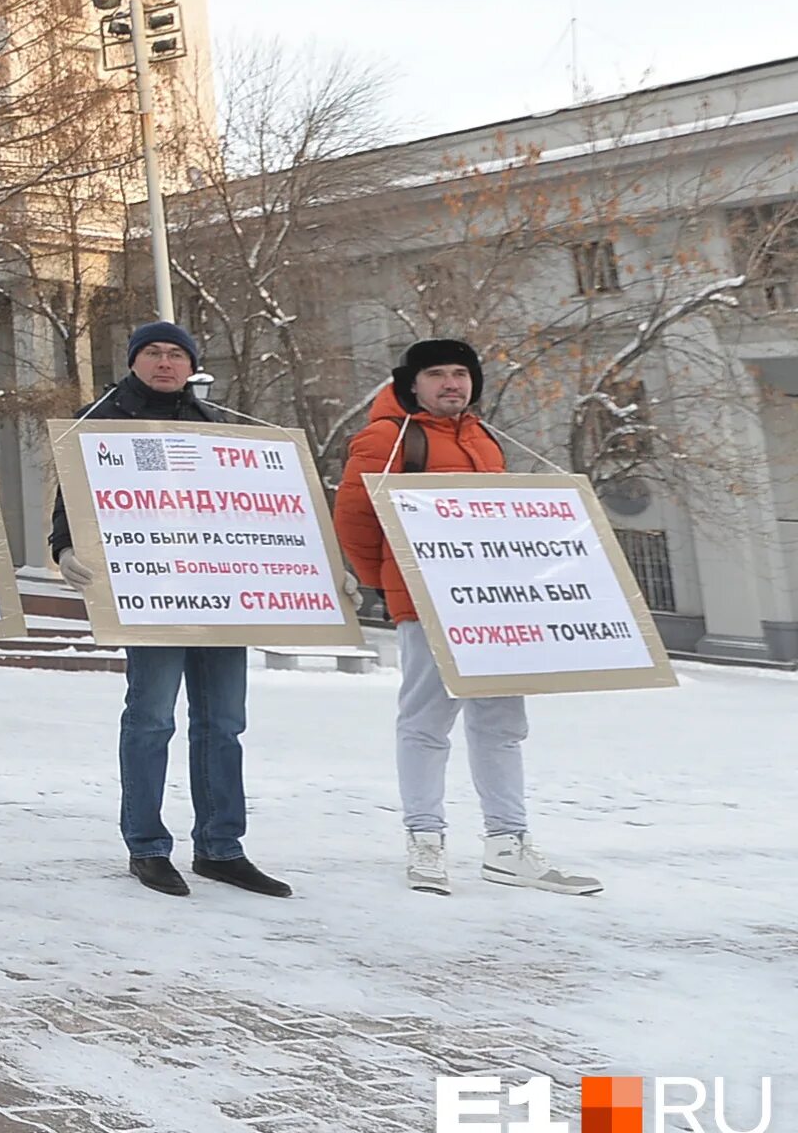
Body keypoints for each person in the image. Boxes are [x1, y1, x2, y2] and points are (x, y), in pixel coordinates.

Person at [334, 338, 601, 897]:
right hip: (427, 605)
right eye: (437, 374)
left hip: (493, 606)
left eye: (461, 373)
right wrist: (393, 585)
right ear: (412, 383)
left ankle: (508, 844)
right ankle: (426, 841)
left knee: (502, 724)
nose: (452, 383)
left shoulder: (483, 436)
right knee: (427, 722)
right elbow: (355, 523)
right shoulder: (387, 438)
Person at [52, 320, 291, 899]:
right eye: (153, 353)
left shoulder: (216, 425)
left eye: (176, 354)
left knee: (223, 723)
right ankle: (147, 845)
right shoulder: (103, 420)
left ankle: (221, 846)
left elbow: (254, 504)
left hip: (219, 594)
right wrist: (65, 547)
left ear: (191, 365)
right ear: (134, 361)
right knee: (152, 718)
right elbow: (72, 495)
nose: (165, 363)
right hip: (150, 592)